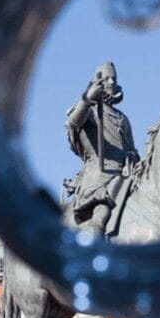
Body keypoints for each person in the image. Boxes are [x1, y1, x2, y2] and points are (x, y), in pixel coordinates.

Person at [65, 61, 138, 234]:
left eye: (114, 79)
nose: (111, 82)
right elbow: (73, 123)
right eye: (106, 79)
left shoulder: (122, 118)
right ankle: (94, 234)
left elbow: (131, 149)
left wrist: (134, 159)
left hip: (125, 174)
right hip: (99, 175)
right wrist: (88, 100)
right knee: (102, 209)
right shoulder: (90, 109)